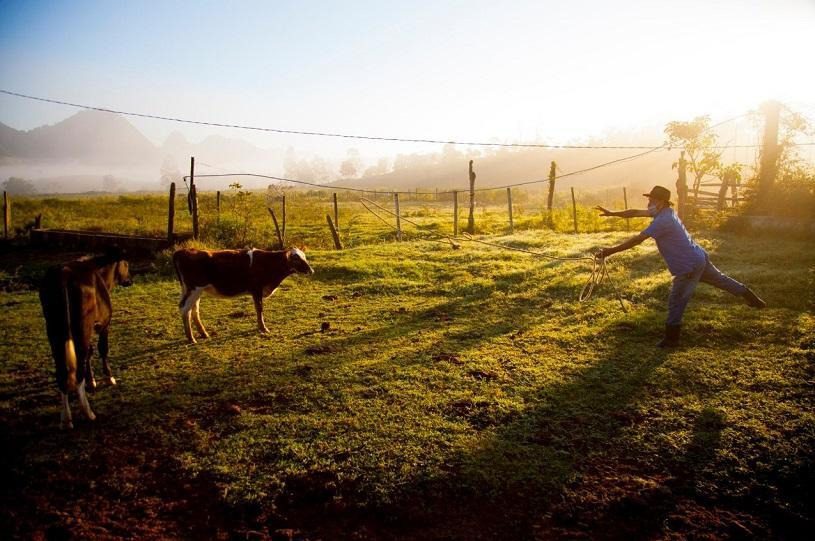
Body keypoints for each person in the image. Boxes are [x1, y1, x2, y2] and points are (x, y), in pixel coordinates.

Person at [595, 185, 765, 347]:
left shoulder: (663, 220)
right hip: (698, 257)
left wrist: (609, 251)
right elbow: (634, 212)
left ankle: (671, 339)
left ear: (660, 202)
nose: (649, 204)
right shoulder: (666, 212)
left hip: (687, 265)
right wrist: (612, 213)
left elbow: (637, 240)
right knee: (721, 280)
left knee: (676, 301)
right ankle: (754, 300)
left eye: (652, 200)